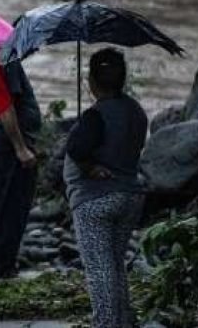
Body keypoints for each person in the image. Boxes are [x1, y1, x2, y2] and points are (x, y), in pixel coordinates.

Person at [64, 48, 148, 328]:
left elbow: (75, 148)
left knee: (100, 271)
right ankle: (124, 321)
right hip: (130, 197)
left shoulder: (94, 116)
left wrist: (89, 168)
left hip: (94, 203)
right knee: (114, 265)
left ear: (91, 81)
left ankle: (107, 324)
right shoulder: (136, 111)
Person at [0, 59, 43, 279]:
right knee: (11, 208)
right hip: (8, 147)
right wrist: (21, 148)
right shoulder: (8, 61)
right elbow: (5, 105)